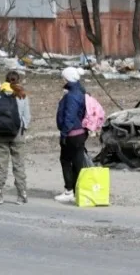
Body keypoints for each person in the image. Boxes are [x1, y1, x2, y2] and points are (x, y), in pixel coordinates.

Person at [0, 71, 31, 205]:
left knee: (1, 164)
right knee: (18, 164)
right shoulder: (21, 95)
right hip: (17, 134)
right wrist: (23, 128)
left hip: (0, 134)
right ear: (17, 81)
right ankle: (22, 194)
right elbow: (27, 117)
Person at [55, 67, 87, 203]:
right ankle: (80, 189)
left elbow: (69, 117)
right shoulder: (81, 91)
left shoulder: (71, 96)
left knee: (66, 161)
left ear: (67, 78)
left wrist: (64, 133)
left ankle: (69, 190)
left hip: (72, 133)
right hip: (81, 132)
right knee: (78, 162)